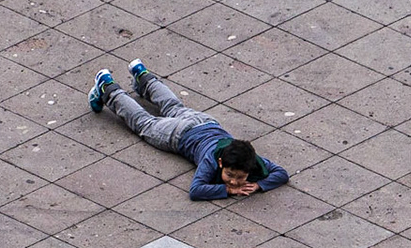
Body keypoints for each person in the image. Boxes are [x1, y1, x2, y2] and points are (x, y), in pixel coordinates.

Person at [89, 60, 288, 202]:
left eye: (240, 178)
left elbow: (282, 173)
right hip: (180, 135)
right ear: (220, 163)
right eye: (230, 175)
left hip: (206, 122)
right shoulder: (211, 161)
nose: (235, 182)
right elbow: (196, 190)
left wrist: (259, 184)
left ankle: (143, 76)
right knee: (144, 124)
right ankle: (108, 88)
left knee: (173, 106)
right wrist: (225, 189)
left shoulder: (249, 160)